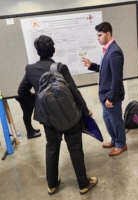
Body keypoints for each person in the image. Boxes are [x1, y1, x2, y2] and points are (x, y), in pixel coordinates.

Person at [18, 35, 98, 195]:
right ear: (53, 50)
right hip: (69, 117)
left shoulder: (30, 69)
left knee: (52, 148)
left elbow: (22, 91)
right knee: (75, 148)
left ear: (37, 51)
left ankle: (52, 184)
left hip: (48, 119)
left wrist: (39, 104)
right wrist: (85, 109)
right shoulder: (60, 67)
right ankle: (83, 184)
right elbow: (74, 91)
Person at [82, 22, 127, 156]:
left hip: (110, 96)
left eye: (100, 35)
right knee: (108, 121)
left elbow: (117, 78)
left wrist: (111, 98)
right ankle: (114, 140)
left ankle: (121, 144)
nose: (98, 38)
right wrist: (92, 66)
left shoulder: (115, 52)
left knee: (116, 121)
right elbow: (105, 70)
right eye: (97, 35)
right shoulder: (107, 50)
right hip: (104, 95)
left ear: (108, 34)